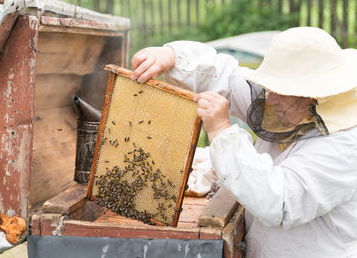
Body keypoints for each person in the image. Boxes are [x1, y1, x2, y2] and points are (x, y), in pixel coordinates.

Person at [130, 27, 357, 258]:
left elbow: (277, 201)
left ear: (313, 96)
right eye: (270, 88)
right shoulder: (292, 105)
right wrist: (171, 57)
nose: (270, 98)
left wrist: (220, 130)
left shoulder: (343, 146)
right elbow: (227, 78)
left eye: (281, 90)